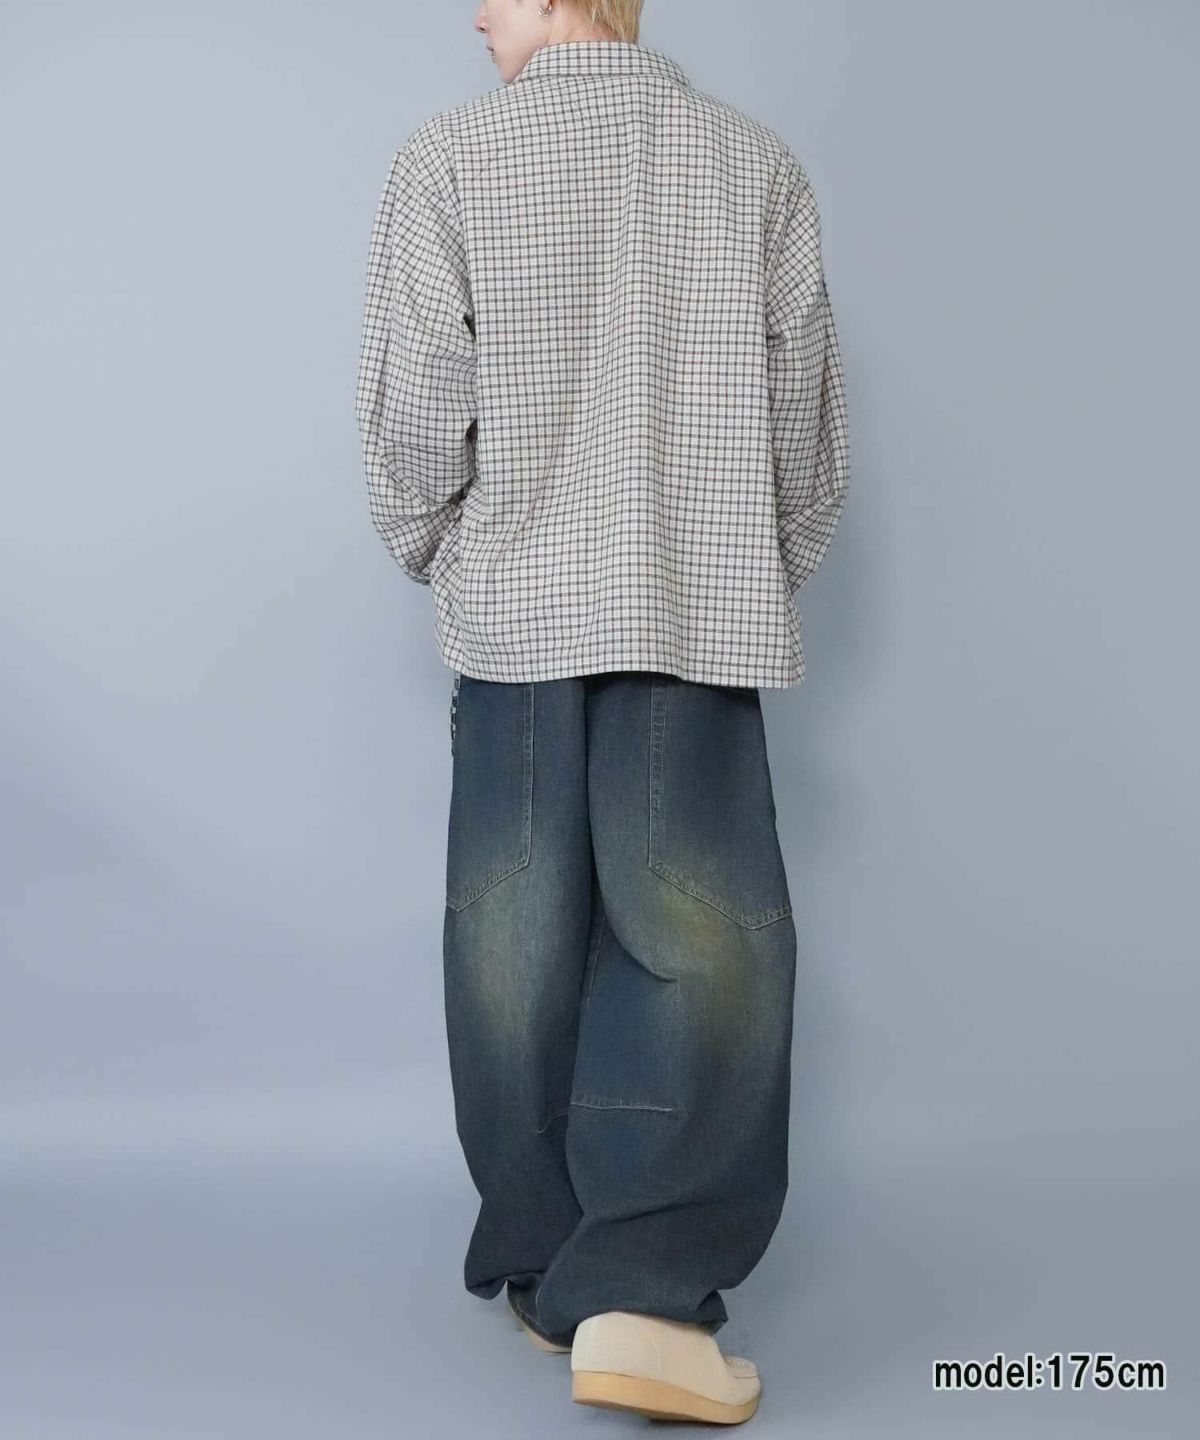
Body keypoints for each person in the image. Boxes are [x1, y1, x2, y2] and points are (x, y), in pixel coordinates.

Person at [354, 0, 849, 1424]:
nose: (472, 14)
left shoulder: (448, 160)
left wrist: (455, 558)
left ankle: (548, 1264)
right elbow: (806, 440)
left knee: (510, 943)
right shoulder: (752, 163)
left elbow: (412, 429)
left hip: (514, 622)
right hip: (693, 619)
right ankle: (641, 1289)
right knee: (703, 945)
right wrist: (741, 569)